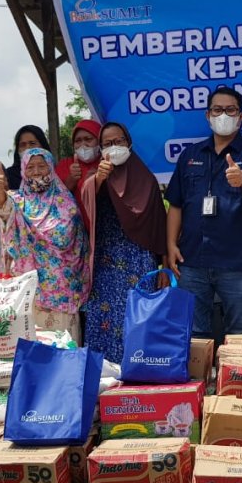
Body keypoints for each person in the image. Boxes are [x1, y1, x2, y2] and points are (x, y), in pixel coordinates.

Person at [165, 86, 242, 338]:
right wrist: (171, 245)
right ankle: (200, 378)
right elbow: (176, 204)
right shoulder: (190, 155)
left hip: (236, 262)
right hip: (192, 261)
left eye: (230, 110)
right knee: (193, 335)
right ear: (208, 115)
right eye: (217, 109)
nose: (223, 115)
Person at [79, 121, 167, 363]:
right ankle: (104, 375)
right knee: (105, 319)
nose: (113, 147)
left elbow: (160, 223)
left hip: (139, 260)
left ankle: (139, 370)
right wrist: (99, 179)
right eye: (107, 144)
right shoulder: (96, 177)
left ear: (129, 143)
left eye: (118, 142)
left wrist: (165, 265)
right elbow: (86, 201)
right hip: (106, 262)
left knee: (138, 315)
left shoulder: (146, 179)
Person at [0, 148, 89, 340]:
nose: (36, 171)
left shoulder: (66, 203)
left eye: (42, 166)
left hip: (61, 293)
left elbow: (68, 241)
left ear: (51, 168)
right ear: (23, 171)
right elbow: (2, 212)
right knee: (31, 348)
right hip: (28, 294)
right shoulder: (17, 201)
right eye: (31, 167)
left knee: (62, 349)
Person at [55, 120, 102, 198]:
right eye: (78, 141)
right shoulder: (65, 164)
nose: (83, 145)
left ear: (99, 141)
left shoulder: (106, 164)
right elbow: (56, 197)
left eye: (88, 139)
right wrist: (71, 180)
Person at [4, 124, 52, 191]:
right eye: (22, 145)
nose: (28, 148)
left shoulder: (53, 172)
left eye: (32, 143)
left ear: (43, 145)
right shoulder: (9, 175)